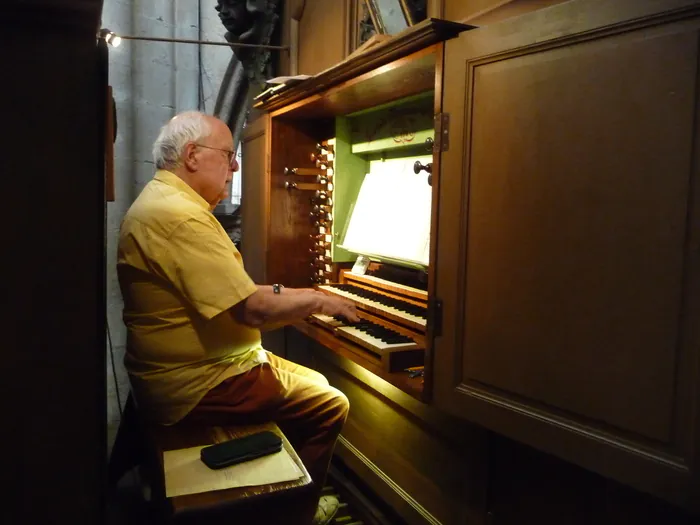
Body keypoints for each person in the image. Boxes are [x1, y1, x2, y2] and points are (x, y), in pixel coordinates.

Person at [117, 110, 360, 525]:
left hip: (199, 368)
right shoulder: (180, 217)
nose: (234, 166)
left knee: (316, 381)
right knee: (331, 403)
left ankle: (281, 488)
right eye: (228, 154)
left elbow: (242, 297)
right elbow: (251, 309)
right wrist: (320, 300)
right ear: (192, 155)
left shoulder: (166, 201)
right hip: (197, 383)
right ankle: (293, 513)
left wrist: (306, 296)